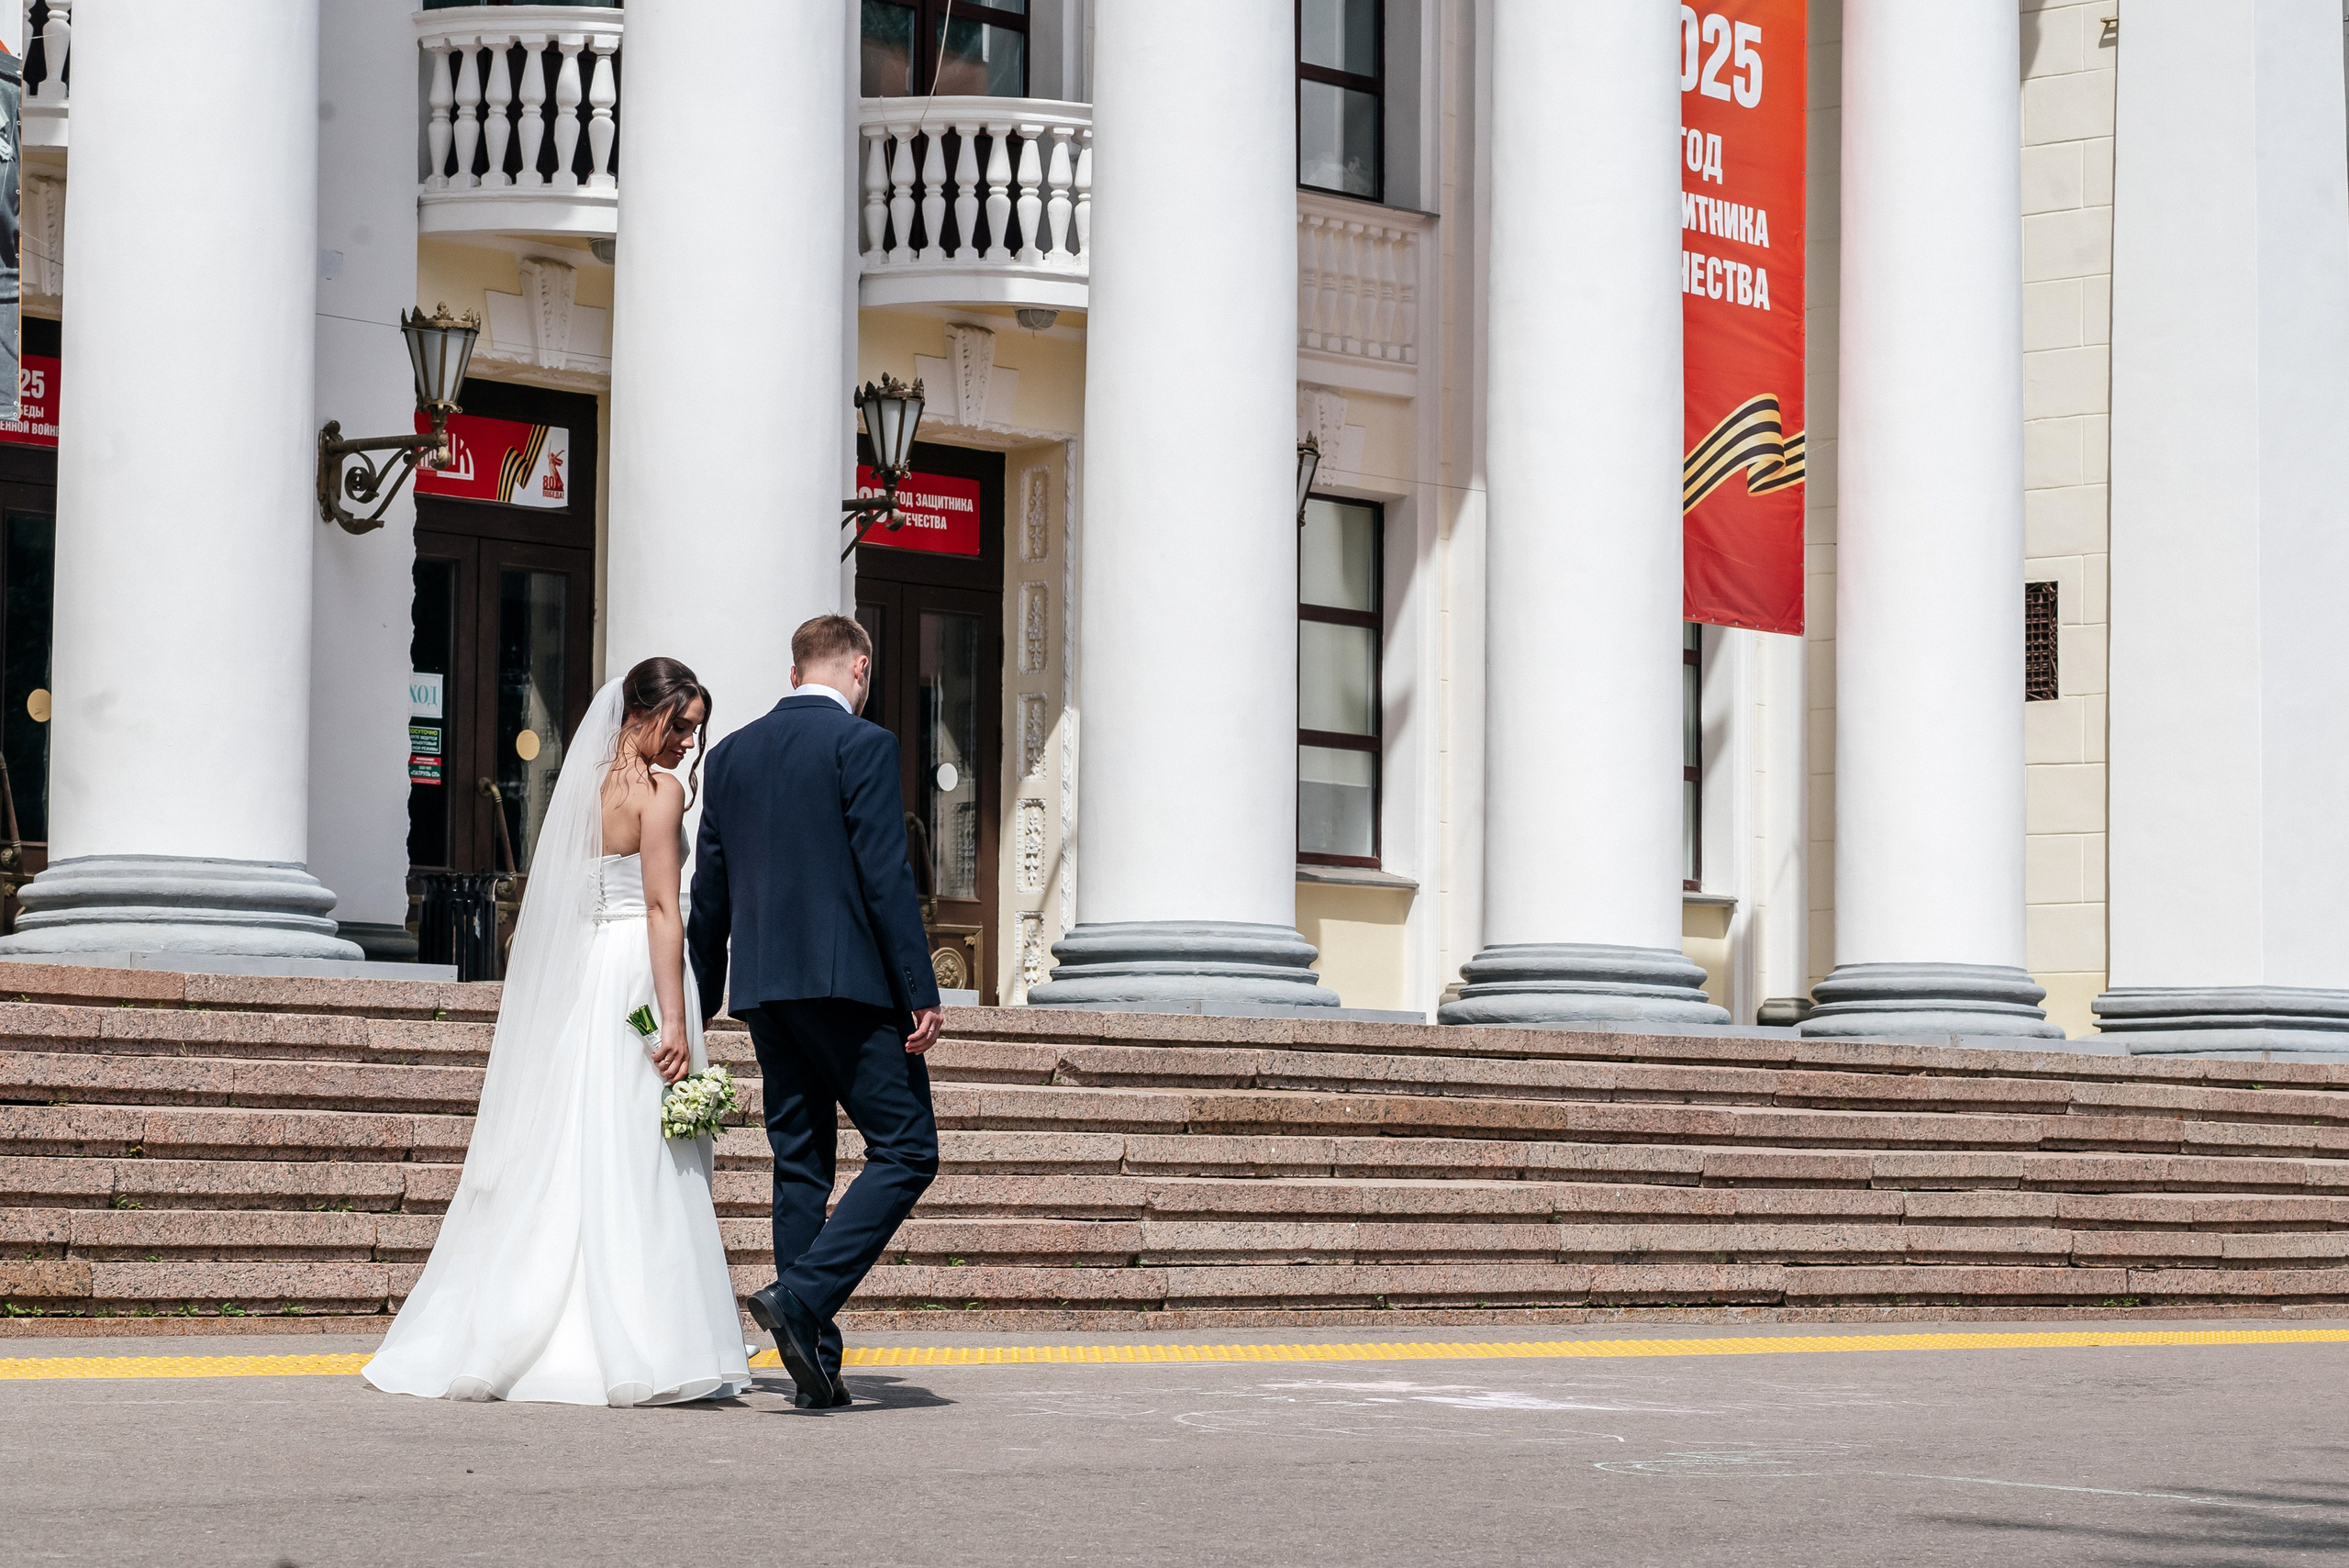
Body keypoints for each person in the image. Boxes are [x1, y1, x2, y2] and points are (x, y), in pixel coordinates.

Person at [363, 659, 750, 1407]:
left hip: (596, 976)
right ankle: (650, 1332)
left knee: (579, 1134)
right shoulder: (661, 795)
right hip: (642, 970)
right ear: (643, 713)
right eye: (679, 725)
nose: (685, 743)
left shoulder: (588, 789)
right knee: (647, 1146)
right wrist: (675, 1018)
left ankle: (538, 1314)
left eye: (695, 729)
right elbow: (667, 911)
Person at [689, 614, 944, 1410]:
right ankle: (802, 1299)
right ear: (859, 669)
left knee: (800, 1165)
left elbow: (710, 896)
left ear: (796, 668)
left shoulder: (730, 755)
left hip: (765, 991)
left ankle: (813, 1363)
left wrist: (698, 1004)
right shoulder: (862, 746)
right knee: (907, 1150)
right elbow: (884, 875)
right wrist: (920, 987)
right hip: (852, 992)